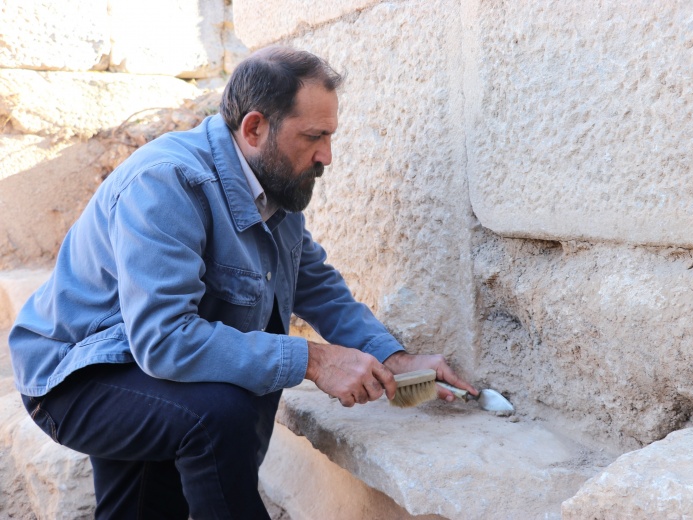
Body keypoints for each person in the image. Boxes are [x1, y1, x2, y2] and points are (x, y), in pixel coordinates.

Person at [8, 46, 476, 519]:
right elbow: (164, 341)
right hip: (77, 378)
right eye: (313, 136)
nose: (326, 156)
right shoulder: (165, 183)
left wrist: (393, 357)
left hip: (152, 373)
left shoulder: (277, 188)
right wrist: (313, 360)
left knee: (145, 508)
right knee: (218, 415)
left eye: (330, 136)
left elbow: (318, 287)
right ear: (254, 128)